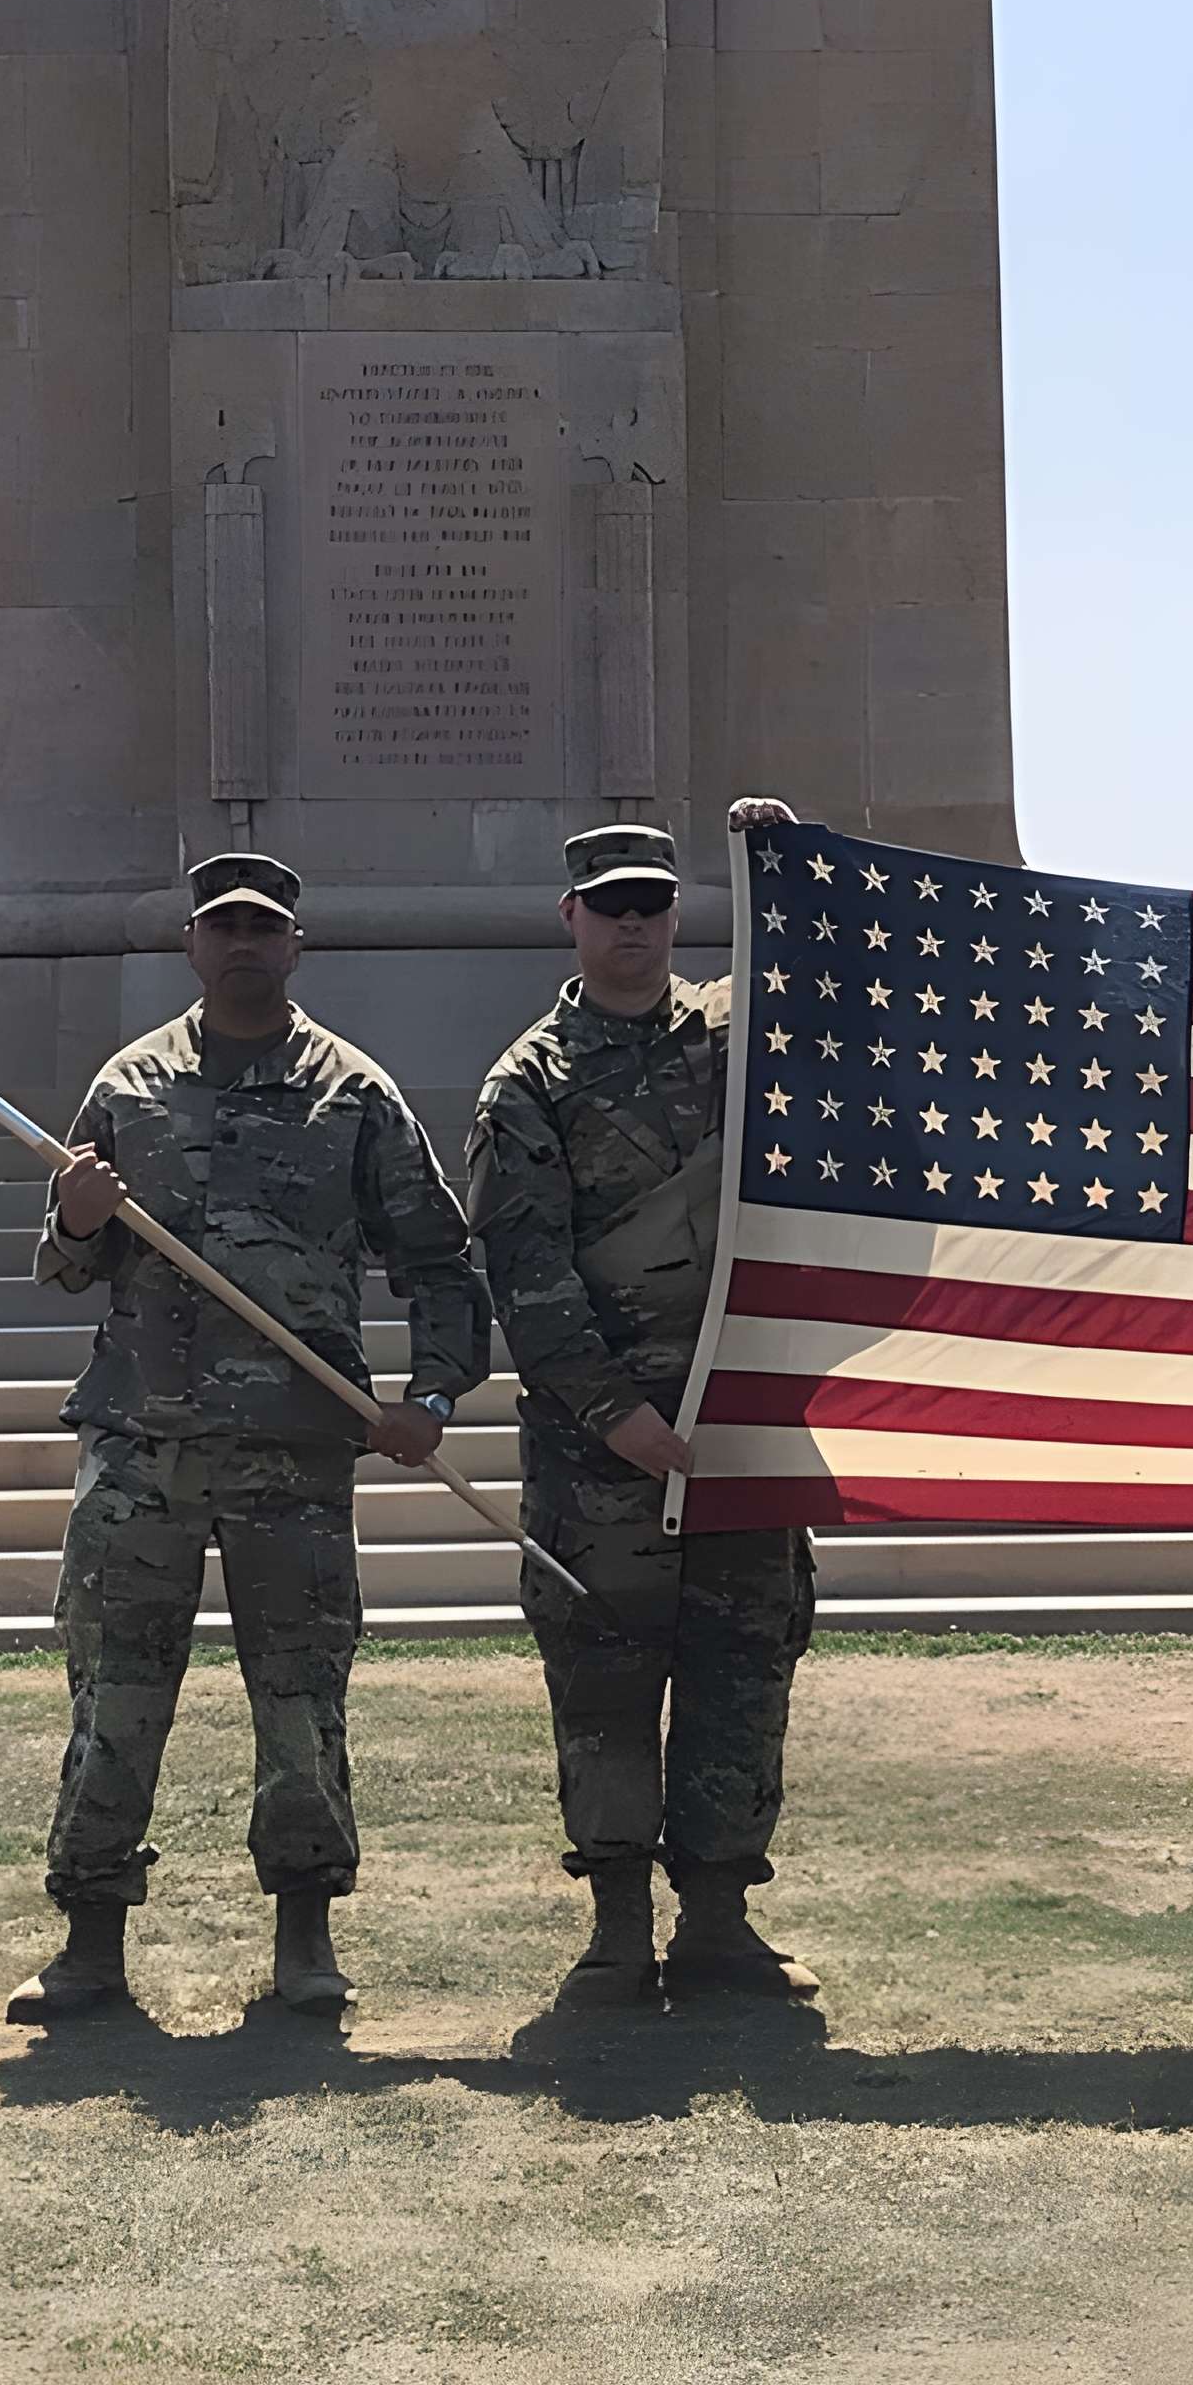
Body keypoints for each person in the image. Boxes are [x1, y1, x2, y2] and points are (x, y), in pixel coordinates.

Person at [6, 853, 492, 2025]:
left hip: (294, 1452)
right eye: (222, 928)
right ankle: (88, 1940)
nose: (242, 947)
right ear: (191, 945)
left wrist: (431, 1392)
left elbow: (437, 1256)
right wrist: (73, 1219)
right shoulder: (128, 1086)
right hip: (142, 1448)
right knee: (114, 1697)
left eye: (262, 929)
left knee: (299, 1701)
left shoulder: (352, 1095)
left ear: (294, 947)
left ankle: (304, 1936)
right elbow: (66, 1267)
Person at [465, 804, 823, 2007]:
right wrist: (613, 1410)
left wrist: (788, 856)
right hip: (599, 1451)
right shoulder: (527, 1084)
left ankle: (717, 1920)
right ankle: (617, 1925)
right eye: (610, 905)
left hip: (735, 1426)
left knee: (739, 1669)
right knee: (605, 1681)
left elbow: (830, 991)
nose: (633, 923)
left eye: (653, 904)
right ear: (570, 917)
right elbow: (525, 1268)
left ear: (680, 913)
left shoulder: (735, 1036)